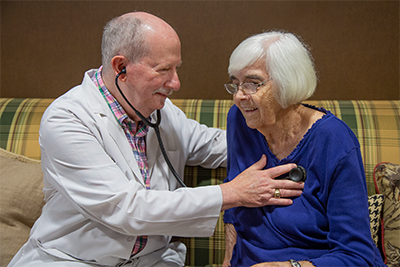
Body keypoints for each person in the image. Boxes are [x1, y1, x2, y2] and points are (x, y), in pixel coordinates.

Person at [8, 13, 305, 267]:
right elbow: (126, 209)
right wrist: (231, 193)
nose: (176, 83)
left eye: (176, 68)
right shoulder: (67, 119)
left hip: (153, 259)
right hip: (74, 259)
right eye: (164, 70)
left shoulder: (159, 110)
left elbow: (216, 146)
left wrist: (289, 133)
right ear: (121, 67)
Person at [222, 31, 386, 267]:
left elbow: (356, 255)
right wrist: (229, 260)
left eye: (252, 84)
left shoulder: (334, 140)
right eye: (235, 84)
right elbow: (235, 201)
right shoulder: (241, 120)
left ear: (287, 82)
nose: (239, 96)